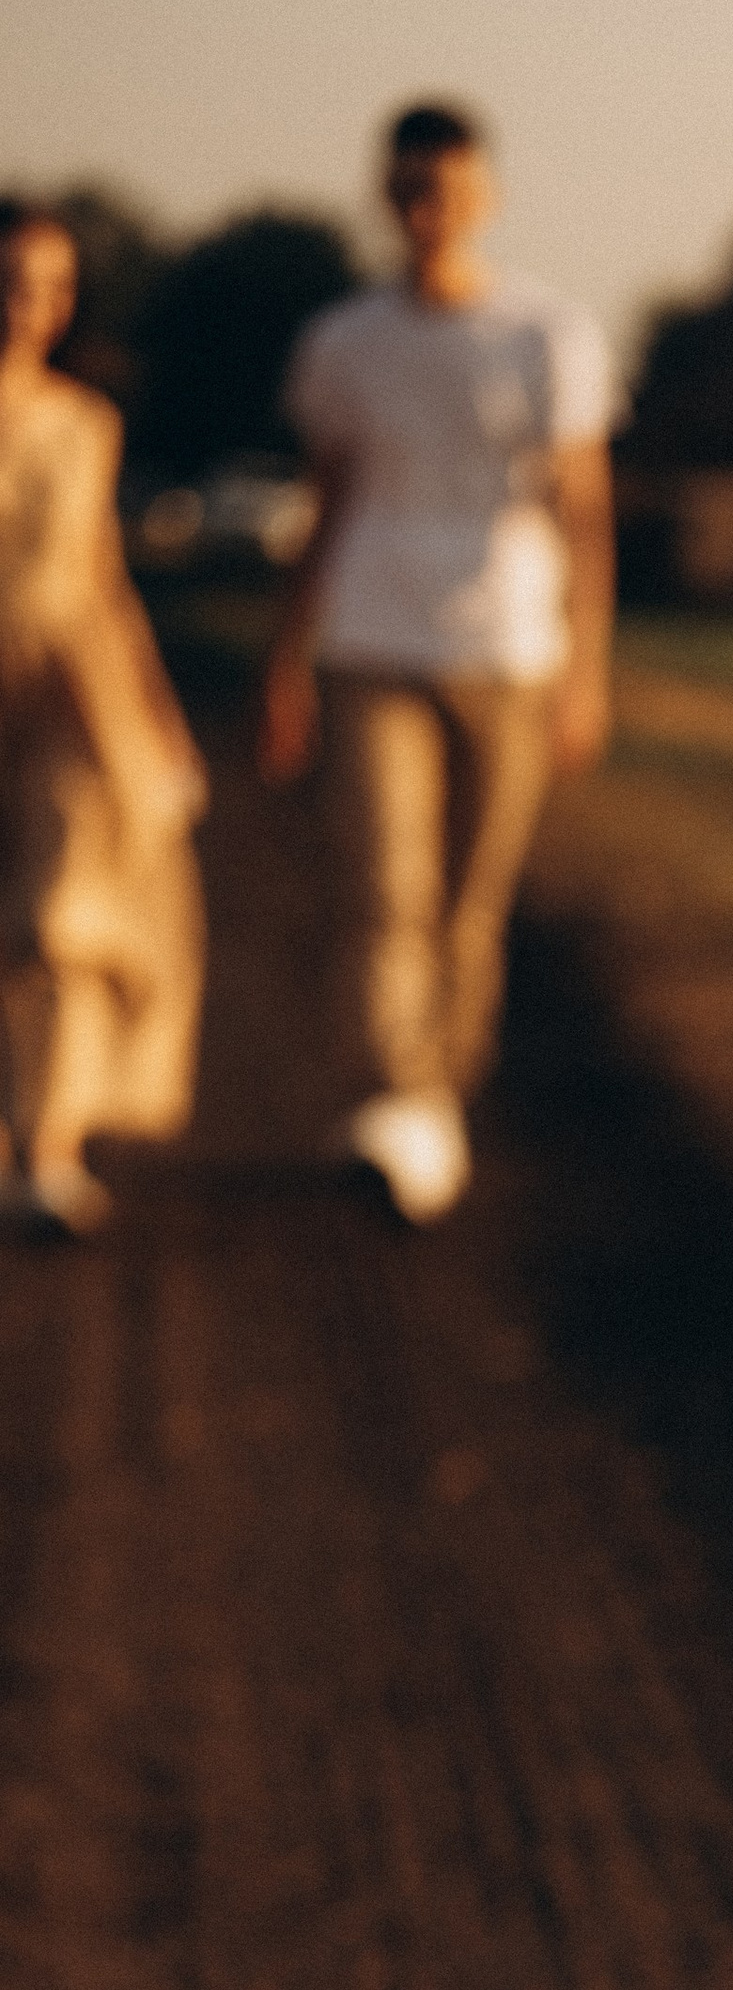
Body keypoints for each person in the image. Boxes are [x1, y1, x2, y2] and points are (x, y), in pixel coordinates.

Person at [260, 100, 613, 1224]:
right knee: (383, 890)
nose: (430, 213)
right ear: (386, 198)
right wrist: (287, 657)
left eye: (451, 191)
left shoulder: (546, 337)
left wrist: (586, 672)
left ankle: (438, 1095)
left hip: (508, 649)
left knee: (468, 902)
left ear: (486, 198)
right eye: (411, 191)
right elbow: (326, 504)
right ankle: (390, 1099)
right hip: (371, 642)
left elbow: (584, 512)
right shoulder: (345, 343)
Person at [0, 202, 204, 1232]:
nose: (30, 308)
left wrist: (158, 722)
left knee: (57, 921)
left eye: (52, 288)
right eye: (14, 282)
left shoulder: (87, 425)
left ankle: (48, 1142)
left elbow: (101, 581)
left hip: (67, 702)